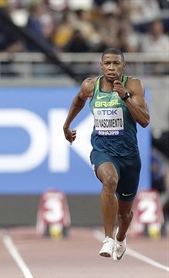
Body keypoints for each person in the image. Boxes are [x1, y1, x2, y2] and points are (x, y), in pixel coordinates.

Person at [63, 48, 150, 261]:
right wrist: (67, 125)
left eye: (116, 64)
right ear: (101, 66)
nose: (112, 68)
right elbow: (78, 100)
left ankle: (120, 236)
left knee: (125, 213)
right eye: (108, 63)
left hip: (129, 156)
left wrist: (126, 98)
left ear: (123, 66)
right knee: (109, 181)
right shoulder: (91, 85)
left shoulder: (133, 85)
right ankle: (108, 238)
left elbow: (145, 121)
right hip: (103, 150)